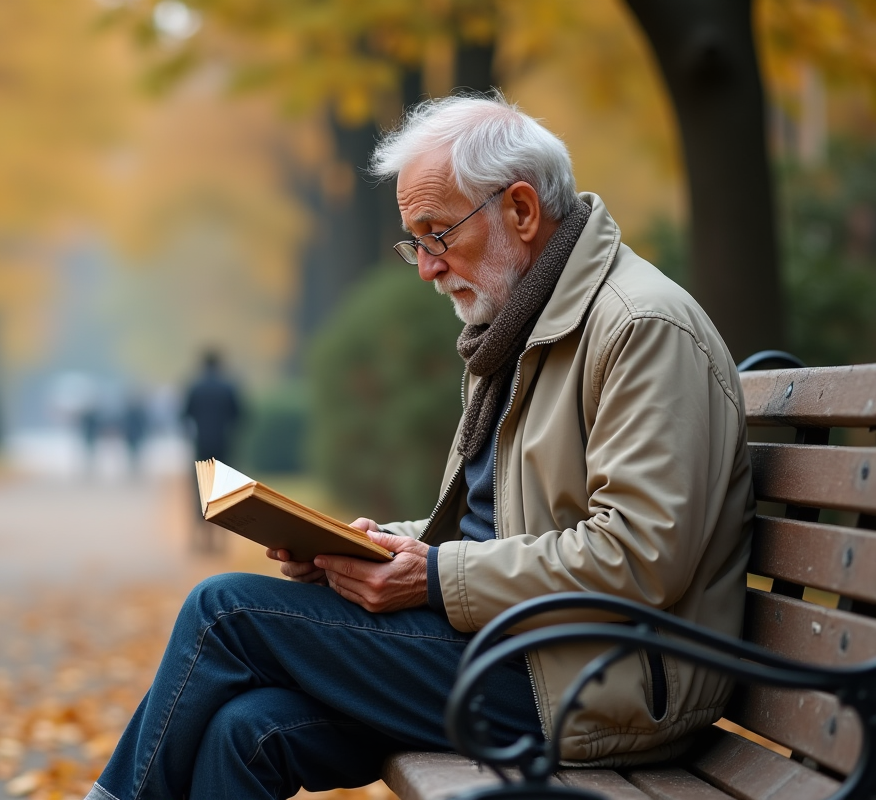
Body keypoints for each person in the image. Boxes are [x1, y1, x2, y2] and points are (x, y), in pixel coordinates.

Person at [85, 93, 753, 800]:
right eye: (417, 242)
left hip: (600, 682)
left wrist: (431, 576)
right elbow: (496, 530)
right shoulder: (521, 324)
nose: (427, 267)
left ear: (521, 212)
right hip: (519, 650)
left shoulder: (641, 328)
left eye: (438, 234)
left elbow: (639, 556)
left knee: (225, 611)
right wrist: (363, 549)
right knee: (245, 730)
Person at [182, 349, 243, 552]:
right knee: (222, 491)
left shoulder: (195, 386)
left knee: (201, 491)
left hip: (201, 444)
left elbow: (185, 414)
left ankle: (200, 540)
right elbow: (239, 415)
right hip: (223, 445)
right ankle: (220, 541)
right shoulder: (228, 387)